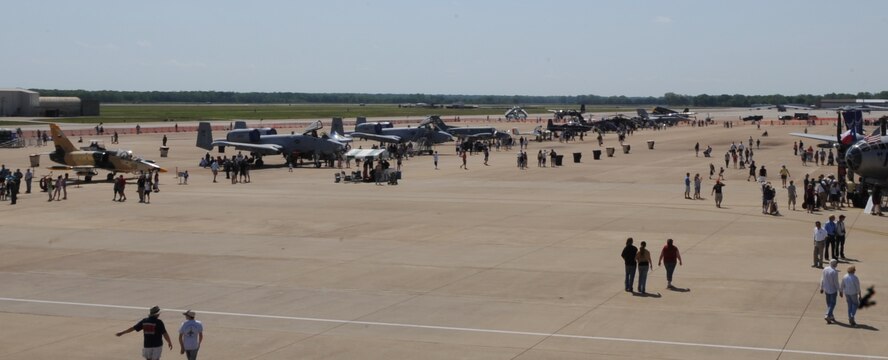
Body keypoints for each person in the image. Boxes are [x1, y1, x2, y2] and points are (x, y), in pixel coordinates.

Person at [820, 259, 840, 324]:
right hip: (833, 290)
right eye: (836, 263)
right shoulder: (834, 272)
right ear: (834, 264)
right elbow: (836, 283)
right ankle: (827, 315)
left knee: (829, 304)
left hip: (826, 289)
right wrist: (840, 290)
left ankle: (831, 316)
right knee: (833, 303)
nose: (837, 264)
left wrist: (821, 287)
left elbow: (822, 279)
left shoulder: (825, 269)